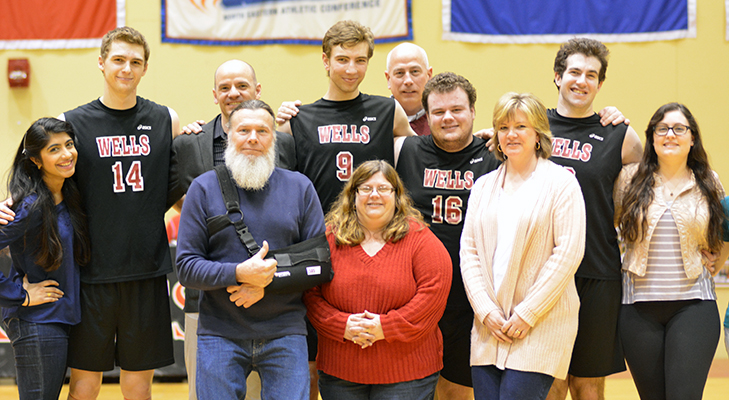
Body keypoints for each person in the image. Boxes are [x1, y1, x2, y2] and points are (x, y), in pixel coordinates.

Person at [49, 26, 179, 400]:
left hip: (146, 270)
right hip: (91, 272)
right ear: (102, 63)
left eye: (135, 62)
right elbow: (48, 184)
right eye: (119, 60)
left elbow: (180, 184)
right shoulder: (71, 121)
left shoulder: (166, 119)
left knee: (138, 388)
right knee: (84, 386)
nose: (127, 68)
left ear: (145, 69)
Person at [176, 100, 325, 400]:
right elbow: (187, 267)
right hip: (219, 333)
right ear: (228, 133)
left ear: (275, 137)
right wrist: (239, 273)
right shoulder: (203, 188)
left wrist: (265, 283)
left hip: (286, 332)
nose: (253, 138)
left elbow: (319, 263)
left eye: (262, 131)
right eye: (244, 130)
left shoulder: (300, 187)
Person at [171, 59, 295, 400]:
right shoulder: (187, 144)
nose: (233, 93)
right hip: (207, 304)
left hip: (273, 302)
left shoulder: (284, 144)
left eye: (242, 85)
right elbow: (169, 199)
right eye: (224, 87)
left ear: (258, 91)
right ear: (214, 95)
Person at [460, 92, 586, 400]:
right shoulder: (483, 186)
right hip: (490, 326)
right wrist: (486, 311)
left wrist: (527, 313)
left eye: (520, 127)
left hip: (540, 324)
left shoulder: (562, 184)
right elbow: (470, 253)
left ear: (538, 135)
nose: (511, 134)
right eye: (503, 127)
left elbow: (568, 253)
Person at [545, 38, 643, 400]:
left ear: (600, 84)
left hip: (597, 270)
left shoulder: (619, 134)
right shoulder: (532, 127)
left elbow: (655, 179)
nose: (581, 81)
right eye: (574, 72)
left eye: (591, 75)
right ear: (557, 76)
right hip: (544, 270)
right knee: (550, 381)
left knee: (588, 386)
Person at [304, 160, 451, 399]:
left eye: (383, 188)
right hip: (341, 372)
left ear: (396, 195)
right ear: (353, 195)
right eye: (365, 188)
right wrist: (342, 325)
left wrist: (385, 328)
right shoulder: (329, 237)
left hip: (407, 373)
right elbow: (310, 293)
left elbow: (433, 295)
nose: (375, 195)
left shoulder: (420, 238)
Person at [395, 72, 500, 400]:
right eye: (438, 112)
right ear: (426, 116)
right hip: (415, 293)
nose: (448, 117)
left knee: (457, 389)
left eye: (457, 109)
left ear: (473, 112)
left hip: (473, 294)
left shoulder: (496, 154)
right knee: (411, 388)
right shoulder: (405, 150)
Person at [614, 103, 725, 400]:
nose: (670, 135)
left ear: (692, 139)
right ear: (652, 138)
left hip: (694, 305)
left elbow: (724, 229)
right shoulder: (629, 179)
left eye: (679, 128)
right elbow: (603, 222)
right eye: (662, 129)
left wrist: (719, 260)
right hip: (637, 309)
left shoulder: (708, 181)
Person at [277, 20, 416, 214]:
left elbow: (423, 156)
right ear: (326, 61)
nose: (351, 70)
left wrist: (472, 142)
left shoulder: (388, 111)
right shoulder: (298, 119)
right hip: (320, 232)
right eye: (342, 60)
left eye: (360, 60)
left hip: (376, 231)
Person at [0, 118, 90, 400]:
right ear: (36, 160)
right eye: (54, 149)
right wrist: (20, 295)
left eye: (69, 144)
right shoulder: (28, 205)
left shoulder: (68, 196)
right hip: (37, 321)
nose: (66, 154)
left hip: (60, 320)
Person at [385, 43, 433, 136]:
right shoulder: (375, 120)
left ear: (429, 76)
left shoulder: (443, 120)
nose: (408, 81)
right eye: (399, 73)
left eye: (415, 71)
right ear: (388, 79)